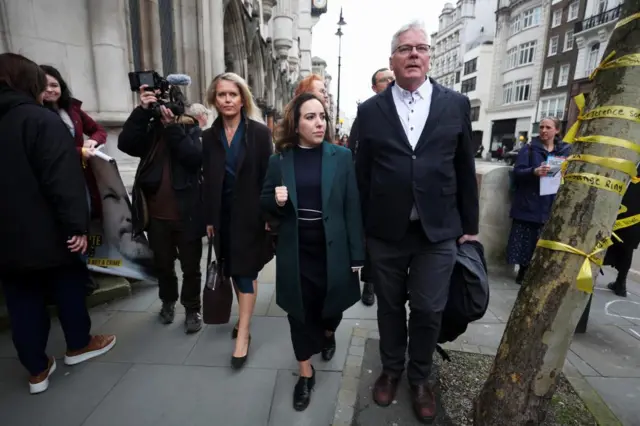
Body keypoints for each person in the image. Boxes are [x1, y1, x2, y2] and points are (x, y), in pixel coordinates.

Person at [355, 21, 479, 423]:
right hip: (386, 231)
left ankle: (420, 377)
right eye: (405, 49)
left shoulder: (454, 103)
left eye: (420, 48)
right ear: (392, 60)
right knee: (390, 307)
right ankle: (391, 369)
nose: (413, 54)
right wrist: (360, 229)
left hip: (438, 229)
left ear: (429, 58)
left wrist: (470, 224)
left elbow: (464, 165)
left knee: (428, 309)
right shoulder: (370, 110)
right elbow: (361, 173)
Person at [0, 53, 116, 394]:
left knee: (21, 300)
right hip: (49, 232)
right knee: (68, 284)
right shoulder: (39, 121)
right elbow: (61, 181)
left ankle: (36, 370)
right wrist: (77, 228)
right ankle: (78, 344)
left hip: (6, 239)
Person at [261, 92, 365, 411]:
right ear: (296, 123)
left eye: (322, 116)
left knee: (331, 306)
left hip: (332, 249)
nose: (319, 123)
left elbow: (351, 207)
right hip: (296, 250)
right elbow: (264, 202)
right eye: (310, 117)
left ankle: (329, 330)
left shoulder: (341, 157)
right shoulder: (280, 160)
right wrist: (276, 201)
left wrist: (357, 255)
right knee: (299, 312)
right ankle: (305, 373)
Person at [118, 83, 205, 334]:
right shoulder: (150, 131)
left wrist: (173, 129)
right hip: (156, 216)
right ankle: (168, 302)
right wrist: (142, 111)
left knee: (191, 267)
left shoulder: (191, 128)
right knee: (163, 265)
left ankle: (192, 308)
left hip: (187, 214)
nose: (164, 108)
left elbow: (193, 158)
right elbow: (125, 143)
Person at [202, 72, 273, 369]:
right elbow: (206, 180)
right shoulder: (207, 136)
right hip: (221, 218)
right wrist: (208, 217)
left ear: (242, 98)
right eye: (221, 95)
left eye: (233, 94)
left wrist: (269, 214)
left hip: (250, 215)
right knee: (231, 270)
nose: (227, 100)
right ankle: (243, 320)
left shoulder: (258, 133)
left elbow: (269, 176)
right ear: (214, 100)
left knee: (245, 272)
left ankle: (242, 333)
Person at [349, 67, 395, 307]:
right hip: (371, 188)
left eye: (391, 79)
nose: (389, 82)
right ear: (374, 86)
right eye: (384, 80)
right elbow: (355, 151)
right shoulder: (366, 112)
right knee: (372, 237)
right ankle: (370, 282)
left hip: (397, 191)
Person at [507, 117, 570, 284]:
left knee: (542, 242)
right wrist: (534, 171)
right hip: (528, 203)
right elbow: (517, 172)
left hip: (549, 203)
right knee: (525, 242)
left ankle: (537, 272)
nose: (543, 130)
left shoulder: (564, 151)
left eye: (548, 127)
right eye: (541, 127)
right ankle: (523, 271)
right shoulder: (528, 149)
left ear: (556, 130)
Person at [40, 65, 107, 218]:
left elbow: (99, 130)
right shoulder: (37, 114)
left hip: (82, 172)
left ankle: (91, 241)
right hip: (58, 176)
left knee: (89, 213)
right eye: (44, 86)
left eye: (54, 85)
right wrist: (79, 151)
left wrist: (92, 141)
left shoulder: (72, 109)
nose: (50, 90)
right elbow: (49, 149)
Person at [603, 167, 640, 297]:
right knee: (627, 249)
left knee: (603, 243)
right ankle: (621, 283)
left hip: (624, 211)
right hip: (635, 220)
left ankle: (589, 276)